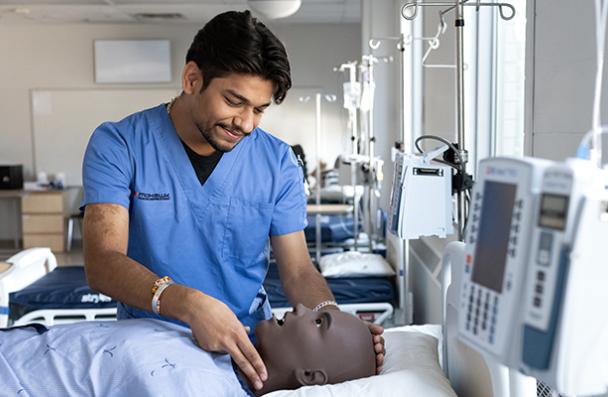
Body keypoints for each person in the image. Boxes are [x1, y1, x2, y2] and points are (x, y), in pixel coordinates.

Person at [81, 10, 384, 393]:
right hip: (150, 348)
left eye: (259, 109)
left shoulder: (276, 162)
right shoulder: (120, 145)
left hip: (251, 350)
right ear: (192, 79)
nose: (246, 123)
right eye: (234, 101)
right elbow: (102, 262)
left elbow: (298, 272)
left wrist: (333, 324)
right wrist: (187, 304)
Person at [0, 306, 376, 396]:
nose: (299, 309)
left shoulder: (202, 388)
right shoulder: (217, 348)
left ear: (310, 377)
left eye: (317, 322)